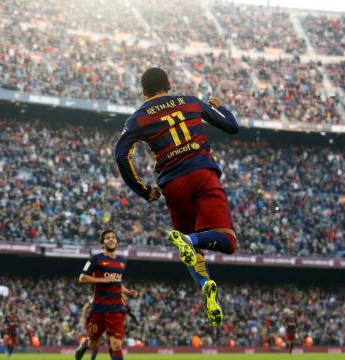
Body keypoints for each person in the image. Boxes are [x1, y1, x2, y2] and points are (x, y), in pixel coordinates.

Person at [115, 67, 239, 327]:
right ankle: (190, 239)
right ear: (169, 84)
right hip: (202, 173)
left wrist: (143, 189)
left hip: (173, 184)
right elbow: (231, 126)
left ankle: (205, 283)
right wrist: (221, 107)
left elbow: (121, 154)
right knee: (227, 241)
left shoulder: (138, 117)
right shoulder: (190, 101)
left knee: (191, 254)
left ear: (143, 91)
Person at [77, 229, 137, 360]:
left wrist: (128, 292)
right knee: (94, 343)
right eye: (107, 238)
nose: (111, 239)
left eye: (113, 237)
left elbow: (117, 282)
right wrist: (101, 279)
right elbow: (82, 278)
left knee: (116, 344)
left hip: (115, 310)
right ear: (103, 243)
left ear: (117, 242)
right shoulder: (96, 259)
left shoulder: (122, 261)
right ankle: (85, 343)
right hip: (98, 309)